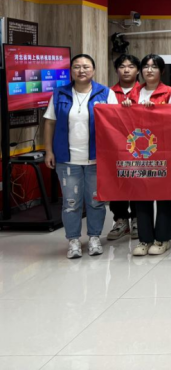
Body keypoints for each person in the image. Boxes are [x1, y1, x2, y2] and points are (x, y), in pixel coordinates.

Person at [43, 54, 118, 259]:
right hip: (67, 158)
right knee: (71, 202)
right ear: (71, 71)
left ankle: (94, 238)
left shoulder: (106, 93)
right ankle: (74, 240)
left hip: (97, 158)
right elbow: (50, 122)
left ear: (93, 70)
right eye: (77, 67)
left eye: (86, 66)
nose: (81, 70)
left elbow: (116, 122)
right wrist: (49, 150)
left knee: (95, 201)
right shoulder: (59, 93)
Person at [122, 55, 171, 256]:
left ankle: (163, 238)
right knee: (141, 195)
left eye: (154, 67)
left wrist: (157, 111)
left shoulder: (170, 93)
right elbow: (123, 123)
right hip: (138, 151)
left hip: (163, 150)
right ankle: (144, 239)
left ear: (161, 71)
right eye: (146, 67)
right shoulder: (132, 94)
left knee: (163, 195)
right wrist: (126, 109)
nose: (149, 70)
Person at [107, 53, 140, 242]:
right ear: (116, 70)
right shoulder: (108, 93)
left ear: (138, 70)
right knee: (116, 182)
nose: (126, 70)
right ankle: (120, 220)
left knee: (137, 182)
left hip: (140, 146)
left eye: (131, 66)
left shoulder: (144, 92)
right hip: (115, 146)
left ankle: (137, 219)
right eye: (122, 66)